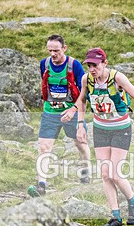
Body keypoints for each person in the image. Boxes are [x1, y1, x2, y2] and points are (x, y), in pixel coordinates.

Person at [75, 48, 134, 226]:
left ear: (104, 63)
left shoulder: (117, 78)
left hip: (121, 128)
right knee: (105, 174)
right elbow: (82, 100)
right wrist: (80, 123)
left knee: (116, 174)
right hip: (100, 129)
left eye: (96, 65)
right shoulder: (87, 79)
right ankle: (115, 217)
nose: (92, 69)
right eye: (89, 65)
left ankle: (133, 200)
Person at [29, 34, 92, 197]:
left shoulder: (75, 65)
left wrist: (73, 111)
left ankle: (86, 172)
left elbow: (84, 93)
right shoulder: (44, 64)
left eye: (56, 50)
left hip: (71, 112)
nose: (52, 54)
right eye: (49, 50)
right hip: (50, 112)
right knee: (44, 147)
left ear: (64, 48)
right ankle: (41, 184)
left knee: (81, 144)